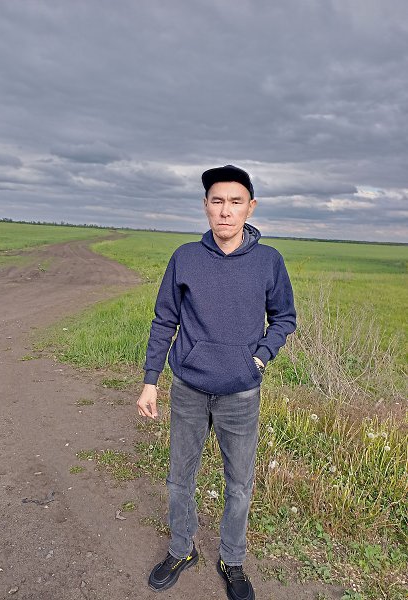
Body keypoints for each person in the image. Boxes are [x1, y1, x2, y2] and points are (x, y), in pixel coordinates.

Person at [137, 165, 296, 600]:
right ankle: (181, 549)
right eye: (217, 201)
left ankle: (232, 559)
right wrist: (151, 380)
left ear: (250, 207)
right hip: (188, 388)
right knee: (179, 479)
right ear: (206, 206)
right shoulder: (186, 257)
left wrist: (259, 358)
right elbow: (164, 320)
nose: (226, 210)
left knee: (239, 484)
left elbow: (284, 317)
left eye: (235, 202)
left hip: (241, 392)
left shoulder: (268, 261)